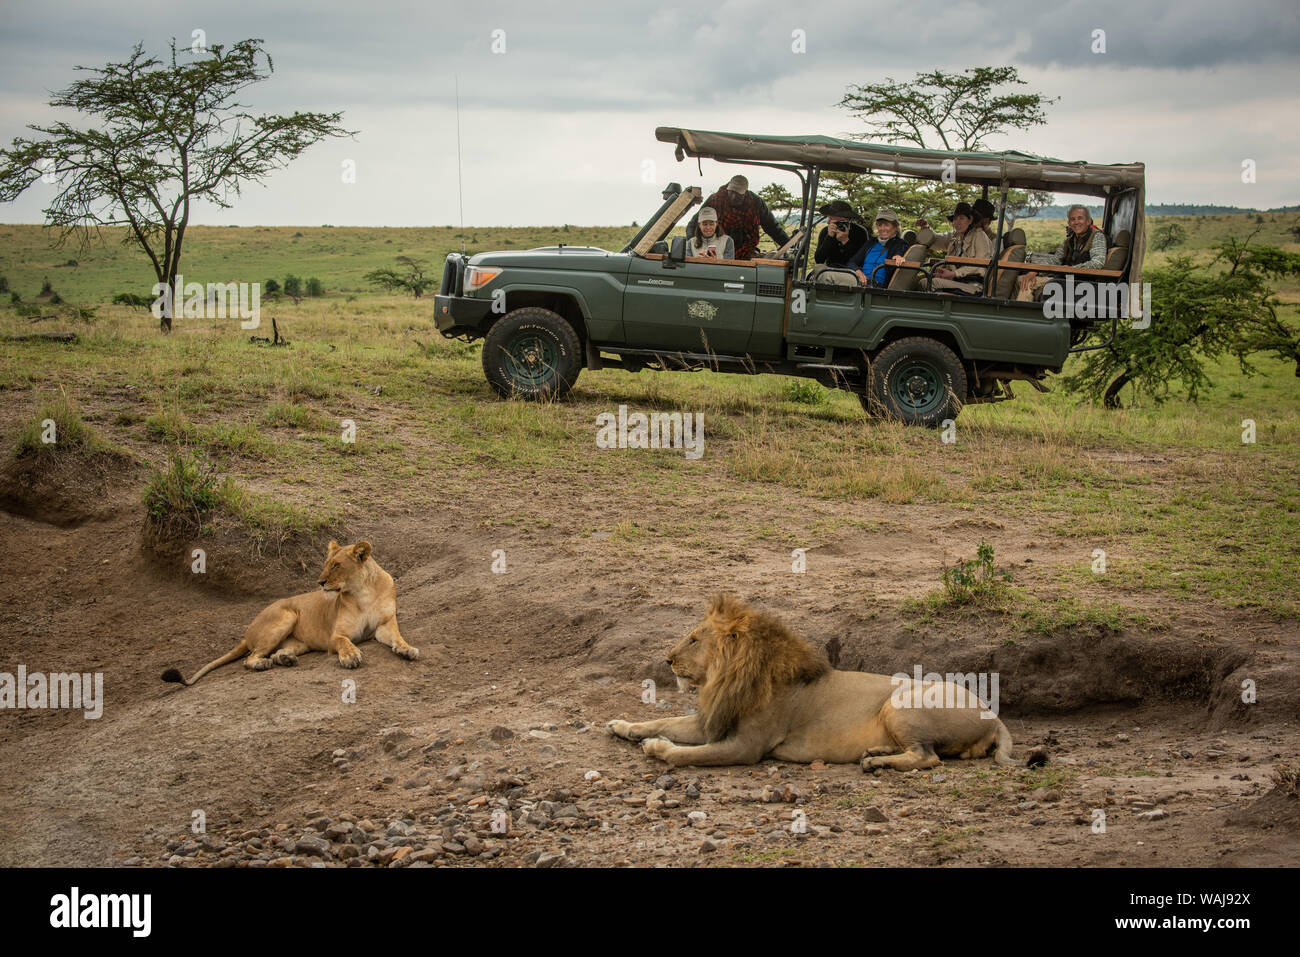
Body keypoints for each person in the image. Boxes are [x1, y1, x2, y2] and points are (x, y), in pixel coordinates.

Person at [1017, 204, 1107, 301]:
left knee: (1027, 283)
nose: (1076, 222)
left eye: (1080, 218)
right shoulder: (1069, 241)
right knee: (1021, 279)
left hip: (1081, 282)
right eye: (1073, 219)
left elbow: (1098, 262)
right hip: (1064, 279)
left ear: (1088, 221)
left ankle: (1019, 314)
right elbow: (1055, 260)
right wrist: (1036, 270)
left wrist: (1072, 269)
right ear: (1069, 223)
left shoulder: (1097, 237)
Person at [687, 174, 790, 260]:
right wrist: (696, 249)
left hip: (746, 250)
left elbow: (772, 227)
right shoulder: (716, 200)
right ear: (728, 189)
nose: (733, 197)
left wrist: (789, 245)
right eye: (731, 192)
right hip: (720, 250)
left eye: (738, 194)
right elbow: (694, 224)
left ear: (745, 193)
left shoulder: (755, 203)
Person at [915, 201, 995, 294]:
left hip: (973, 285)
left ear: (970, 220)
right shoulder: (956, 236)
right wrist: (926, 229)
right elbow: (937, 241)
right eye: (955, 219)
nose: (957, 223)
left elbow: (981, 265)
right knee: (920, 280)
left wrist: (954, 274)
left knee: (928, 283)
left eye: (961, 218)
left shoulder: (980, 236)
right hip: (956, 281)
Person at [850, 209, 911, 286]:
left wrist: (899, 256)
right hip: (859, 281)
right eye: (879, 225)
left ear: (895, 227)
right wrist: (858, 272)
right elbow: (852, 262)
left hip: (876, 285)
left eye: (886, 225)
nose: (882, 229)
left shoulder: (900, 244)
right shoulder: (871, 242)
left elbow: (899, 252)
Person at [813, 200, 870, 268]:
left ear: (845, 220)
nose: (828, 222)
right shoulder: (825, 231)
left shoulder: (860, 232)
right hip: (831, 270)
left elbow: (862, 260)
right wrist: (829, 237)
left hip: (853, 272)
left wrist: (845, 241)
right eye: (829, 218)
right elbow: (819, 260)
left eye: (831, 219)